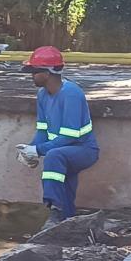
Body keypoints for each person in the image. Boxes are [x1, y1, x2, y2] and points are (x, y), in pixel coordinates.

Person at [14, 46, 98, 228]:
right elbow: (43, 131)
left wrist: (38, 150)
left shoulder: (72, 94)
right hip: (63, 150)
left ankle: (55, 211)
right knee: (65, 186)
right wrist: (30, 150)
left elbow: (70, 136)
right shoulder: (43, 94)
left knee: (55, 156)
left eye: (34, 71)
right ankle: (66, 223)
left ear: (47, 73)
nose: (32, 76)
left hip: (83, 149)